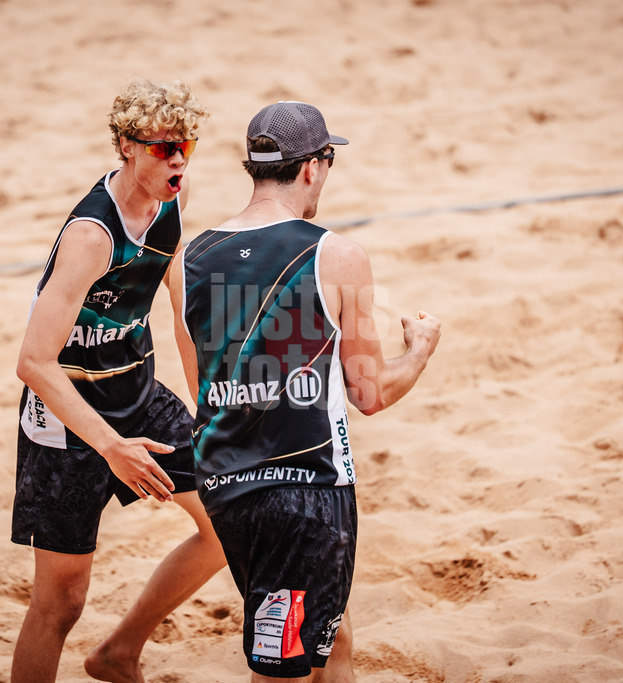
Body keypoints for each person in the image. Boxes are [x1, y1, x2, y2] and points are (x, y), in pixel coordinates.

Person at [168, 101, 442, 681]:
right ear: (314, 167)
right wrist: (420, 348)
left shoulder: (190, 258)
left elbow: (203, 388)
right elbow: (370, 394)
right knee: (279, 669)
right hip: (306, 493)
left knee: (331, 633)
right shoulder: (337, 255)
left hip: (224, 486)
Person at [10, 78, 225, 683]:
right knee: (62, 602)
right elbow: (33, 363)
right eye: (162, 148)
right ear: (127, 148)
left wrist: (209, 405)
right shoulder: (90, 236)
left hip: (138, 393)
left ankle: (119, 652)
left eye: (186, 145)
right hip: (67, 417)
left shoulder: (170, 201)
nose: (178, 159)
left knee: (224, 525)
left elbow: (184, 316)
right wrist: (111, 447)